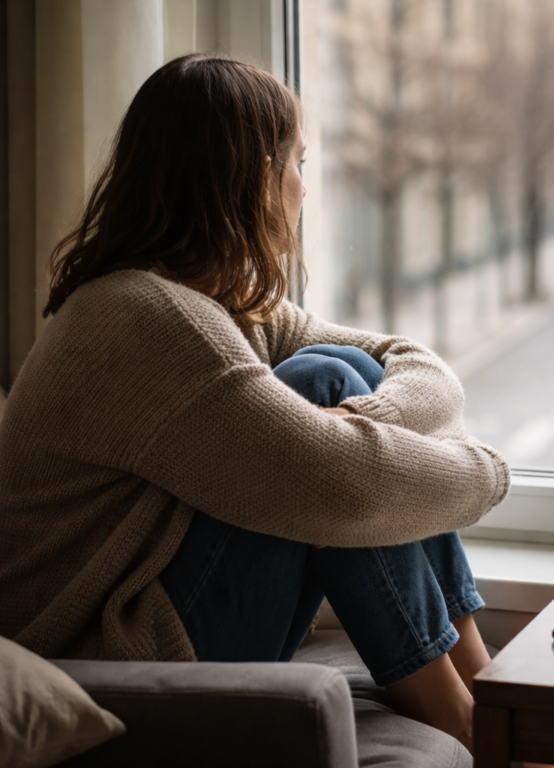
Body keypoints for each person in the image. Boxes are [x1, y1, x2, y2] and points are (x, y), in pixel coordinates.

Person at [0, 55, 510, 754]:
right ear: (255, 180)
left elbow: (414, 362)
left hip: (158, 606)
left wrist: (368, 422)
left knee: (340, 375)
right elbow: (347, 487)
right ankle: (464, 719)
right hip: (109, 657)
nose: (306, 188)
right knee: (327, 405)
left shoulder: (217, 300)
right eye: (299, 164)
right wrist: (488, 474)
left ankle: (481, 690)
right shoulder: (144, 318)